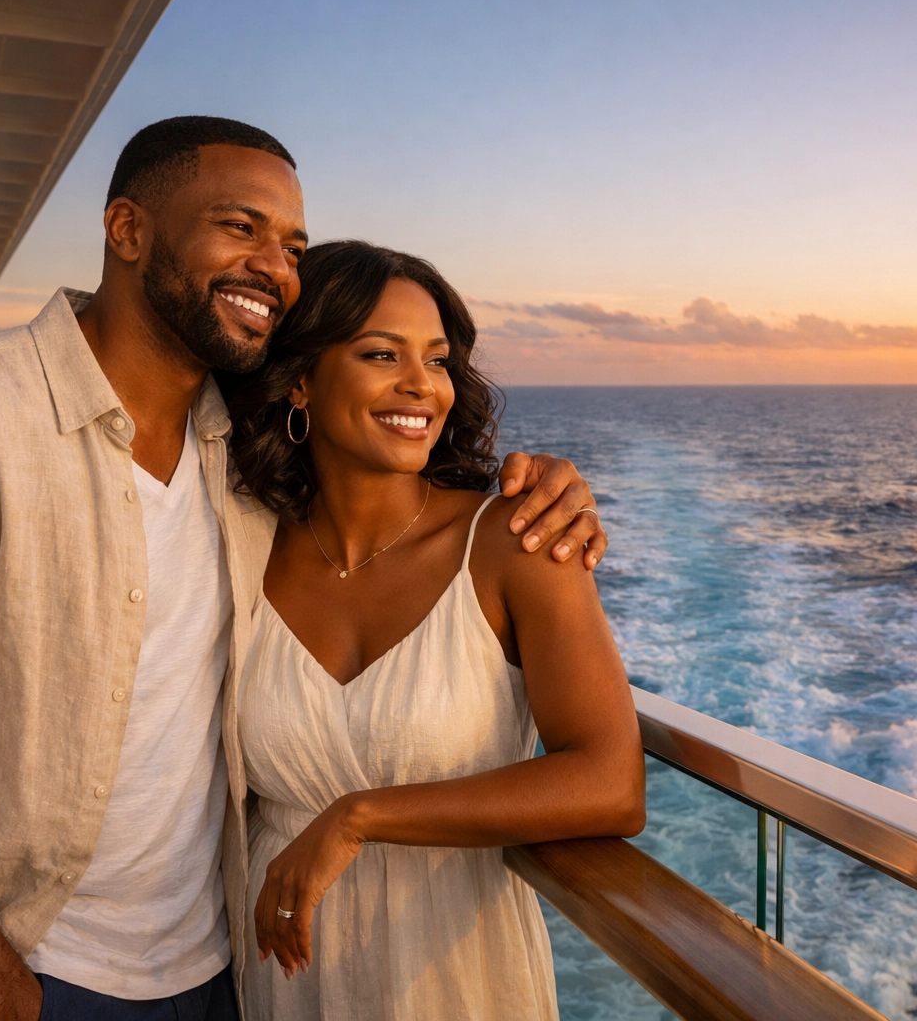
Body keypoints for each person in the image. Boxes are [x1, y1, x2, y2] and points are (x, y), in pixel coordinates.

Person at [0, 117, 606, 1021]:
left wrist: (543, 486)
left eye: (292, 243)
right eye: (240, 226)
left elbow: (383, 484)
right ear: (128, 230)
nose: (274, 265)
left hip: (229, 969)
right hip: (16, 969)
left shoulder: (242, 473)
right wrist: (9, 1004)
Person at [221, 240, 645, 1020]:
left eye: (439, 360)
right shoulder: (238, 546)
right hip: (283, 979)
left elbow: (612, 783)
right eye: (382, 354)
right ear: (302, 378)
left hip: (460, 978)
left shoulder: (518, 543)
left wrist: (358, 818)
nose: (422, 385)